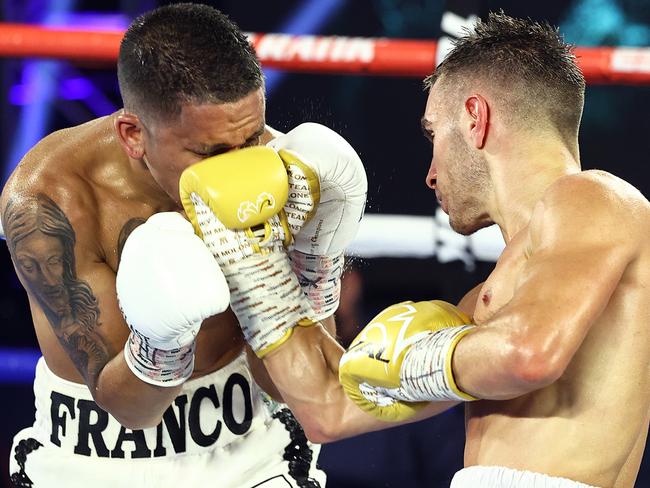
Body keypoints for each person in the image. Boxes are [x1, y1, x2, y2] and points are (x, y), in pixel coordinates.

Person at [2, 4, 454, 487]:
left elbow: (281, 383)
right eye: (210, 153)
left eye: (252, 137)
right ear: (134, 135)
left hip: (249, 450)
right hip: (94, 455)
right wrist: (161, 344)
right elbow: (130, 408)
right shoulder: (54, 200)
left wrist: (315, 262)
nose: (238, 169)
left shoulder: (281, 170)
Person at [339, 12, 650, 488]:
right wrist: (276, 271)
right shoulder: (485, 308)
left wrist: (407, 362)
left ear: (474, 118)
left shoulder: (595, 197)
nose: (431, 173)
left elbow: (529, 355)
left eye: (433, 134)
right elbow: (326, 411)